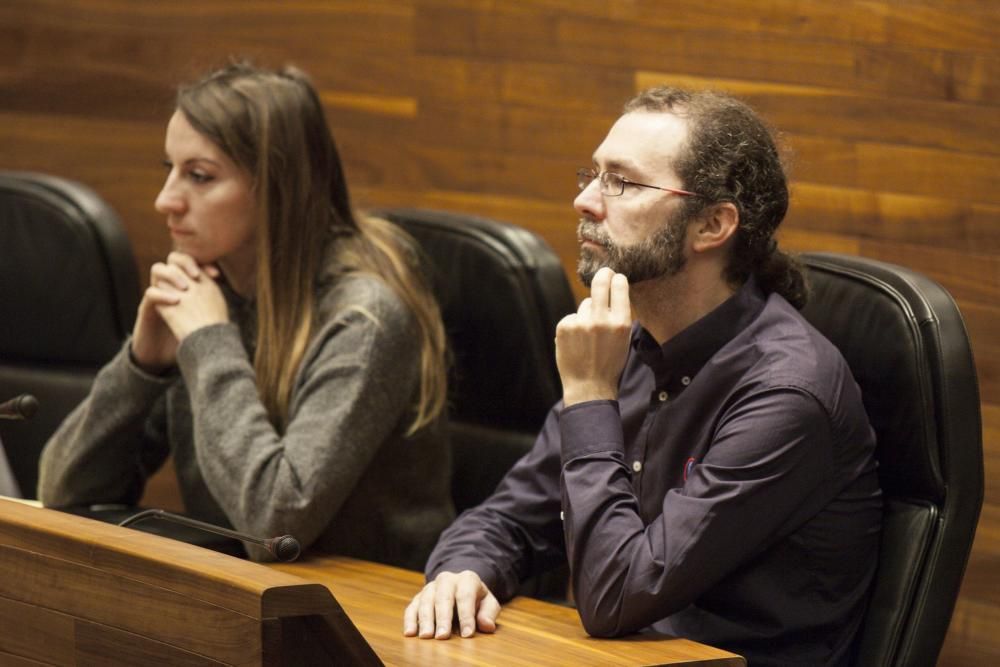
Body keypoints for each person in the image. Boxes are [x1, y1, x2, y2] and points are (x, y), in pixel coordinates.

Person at [403, 87, 882, 666]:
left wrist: (588, 396)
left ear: (711, 224)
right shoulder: (628, 345)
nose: (584, 200)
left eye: (622, 183)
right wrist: (463, 572)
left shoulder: (786, 394)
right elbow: (508, 516)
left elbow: (615, 594)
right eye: (593, 174)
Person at [38, 62, 454, 569]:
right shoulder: (212, 289)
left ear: (277, 187)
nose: (165, 200)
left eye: (199, 176)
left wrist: (209, 341)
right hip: (248, 600)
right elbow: (62, 489)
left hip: (375, 615)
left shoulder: (365, 319)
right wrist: (141, 366)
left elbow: (278, 525)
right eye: (167, 168)